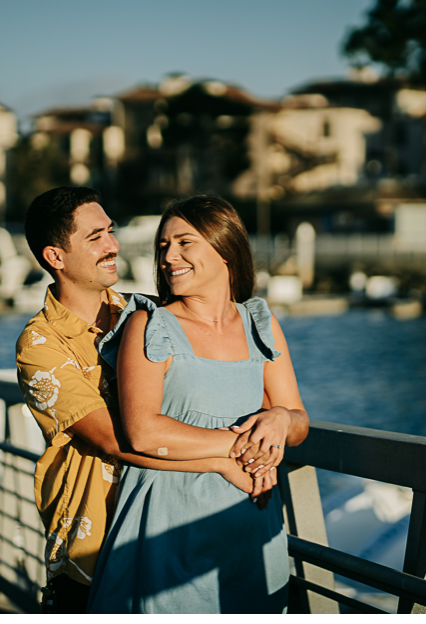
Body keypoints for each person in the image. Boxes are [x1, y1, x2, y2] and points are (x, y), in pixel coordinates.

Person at [17, 187, 261, 613]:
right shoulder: (40, 344)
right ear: (56, 257)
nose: (113, 246)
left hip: (171, 528)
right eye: (95, 238)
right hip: (95, 544)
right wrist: (230, 454)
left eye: (111, 232)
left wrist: (276, 416)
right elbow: (118, 440)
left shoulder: (144, 312)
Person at [86, 193, 309, 614]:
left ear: (225, 249)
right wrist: (239, 447)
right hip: (169, 521)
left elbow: (299, 421)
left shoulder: (260, 323)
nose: (170, 256)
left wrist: (280, 418)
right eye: (164, 245)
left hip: (250, 522)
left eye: (185, 242)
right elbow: (143, 430)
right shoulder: (149, 324)